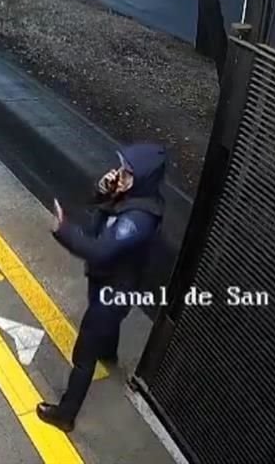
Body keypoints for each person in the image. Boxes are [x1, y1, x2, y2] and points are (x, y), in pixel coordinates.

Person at [37, 143, 166, 433]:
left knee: (84, 354)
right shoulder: (133, 196)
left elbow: (99, 251)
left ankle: (65, 415)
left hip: (114, 288)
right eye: (121, 168)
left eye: (128, 173)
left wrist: (63, 229)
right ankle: (109, 353)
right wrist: (103, 189)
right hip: (109, 282)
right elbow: (97, 207)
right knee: (109, 322)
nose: (120, 174)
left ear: (143, 179)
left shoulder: (138, 220)